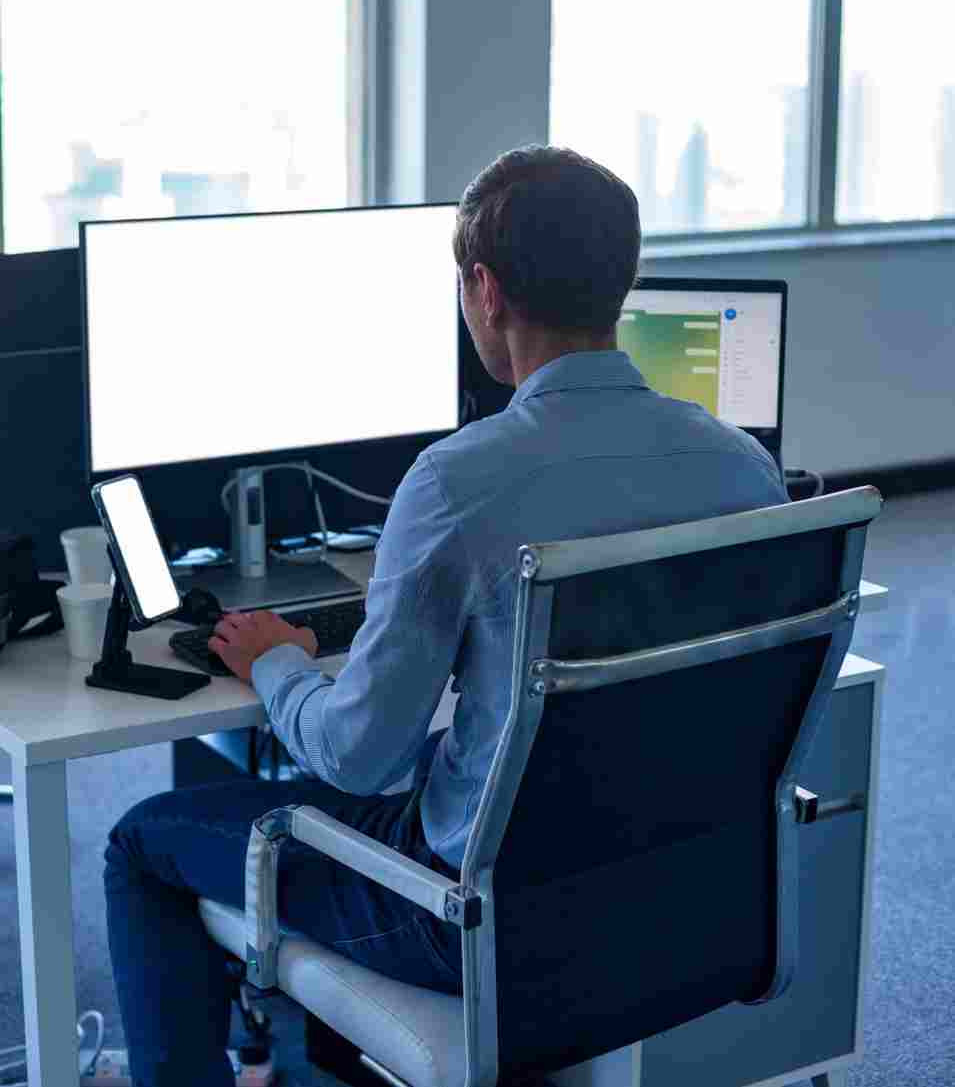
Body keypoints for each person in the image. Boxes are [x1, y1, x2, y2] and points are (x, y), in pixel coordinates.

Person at [104, 145, 789, 1086]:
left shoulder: (460, 482)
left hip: (471, 916)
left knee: (143, 839)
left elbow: (358, 754)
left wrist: (276, 663)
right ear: (620, 282)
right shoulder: (742, 466)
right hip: (666, 897)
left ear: (483, 289)